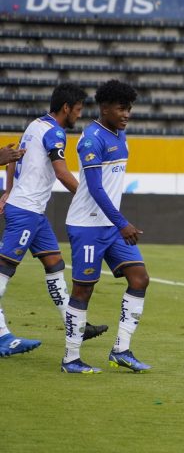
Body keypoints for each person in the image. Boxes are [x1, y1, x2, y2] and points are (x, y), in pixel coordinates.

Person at [0, 83, 107, 358]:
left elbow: (13, 155)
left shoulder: (35, 125)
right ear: (66, 108)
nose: (79, 116)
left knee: (55, 264)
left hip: (33, 212)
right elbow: (61, 172)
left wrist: (9, 189)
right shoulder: (55, 132)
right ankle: (2, 336)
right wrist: (90, 196)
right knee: (3, 271)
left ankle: (75, 326)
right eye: (78, 110)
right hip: (25, 212)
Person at [61, 80, 151, 373]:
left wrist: (117, 224)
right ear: (104, 107)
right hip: (87, 225)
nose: (127, 114)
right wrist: (122, 222)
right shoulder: (91, 139)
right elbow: (96, 190)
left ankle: (121, 350)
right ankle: (70, 359)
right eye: (121, 108)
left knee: (139, 279)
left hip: (109, 226)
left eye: (129, 108)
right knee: (83, 290)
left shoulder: (120, 134)